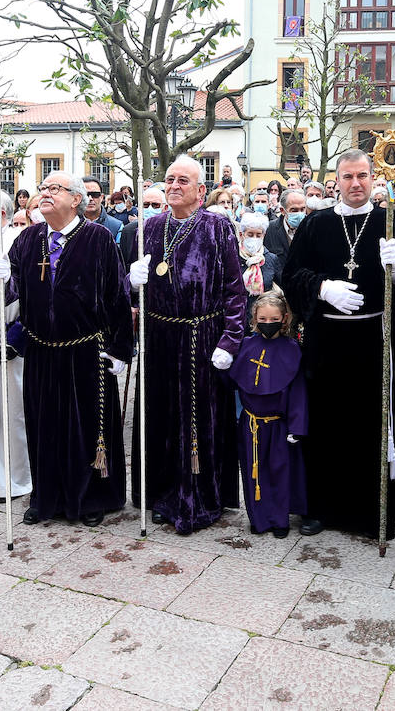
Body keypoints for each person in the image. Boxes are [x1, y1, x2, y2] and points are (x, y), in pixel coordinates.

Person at [280, 148, 395, 540]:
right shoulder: (316, 225)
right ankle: (318, 508)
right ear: (337, 180)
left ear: (373, 176)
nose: (355, 183)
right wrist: (323, 288)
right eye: (347, 177)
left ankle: (371, 511)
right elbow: (291, 276)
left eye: (362, 175)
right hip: (326, 342)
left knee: (371, 427)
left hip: (373, 339)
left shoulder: (391, 222)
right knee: (325, 424)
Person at [0, 174, 132, 522]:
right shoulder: (27, 239)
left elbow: (117, 296)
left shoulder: (98, 238)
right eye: (43, 188)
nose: (46, 193)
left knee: (86, 430)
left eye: (55, 189)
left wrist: (120, 349)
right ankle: (45, 497)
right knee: (43, 426)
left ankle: (91, 499)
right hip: (41, 350)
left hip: (86, 351)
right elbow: (5, 298)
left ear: (76, 199)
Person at [128, 156, 247, 534]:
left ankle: (200, 497)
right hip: (159, 336)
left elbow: (234, 288)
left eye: (184, 180)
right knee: (160, 418)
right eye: (169, 179)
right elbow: (129, 294)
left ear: (200, 190)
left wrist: (231, 339)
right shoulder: (148, 227)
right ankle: (162, 494)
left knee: (198, 421)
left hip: (202, 337)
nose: (174, 186)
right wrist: (132, 282)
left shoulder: (217, 227)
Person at [228, 291, 307, 537]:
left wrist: (297, 426)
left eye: (274, 319)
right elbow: (233, 379)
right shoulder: (245, 345)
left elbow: (297, 392)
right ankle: (259, 519)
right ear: (255, 318)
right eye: (263, 318)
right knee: (253, 472)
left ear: (284, 319)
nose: (268, 324)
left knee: (279, 472)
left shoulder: (292, 349)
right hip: (250, 424)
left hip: (278, 426)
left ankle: (280, 520)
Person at [237, 212, 280, 307]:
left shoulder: (270, 259)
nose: (254, 238)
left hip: (263, 314)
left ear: (263, 235)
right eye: (250, 234)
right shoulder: (233, 257)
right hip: (238, 314)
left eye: (258, 235)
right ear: (241, 234)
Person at [263, 189, 305, 269]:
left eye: (302, 209)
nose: (300, 214)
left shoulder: (311, 229)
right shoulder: (269, 230)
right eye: (294, 210)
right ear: (282, 210)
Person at [81, 175, 123, 243]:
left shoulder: (117, 226)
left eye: (95, 195)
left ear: (102, 197)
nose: (90, 199)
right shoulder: (67, 224)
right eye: (85, 194)